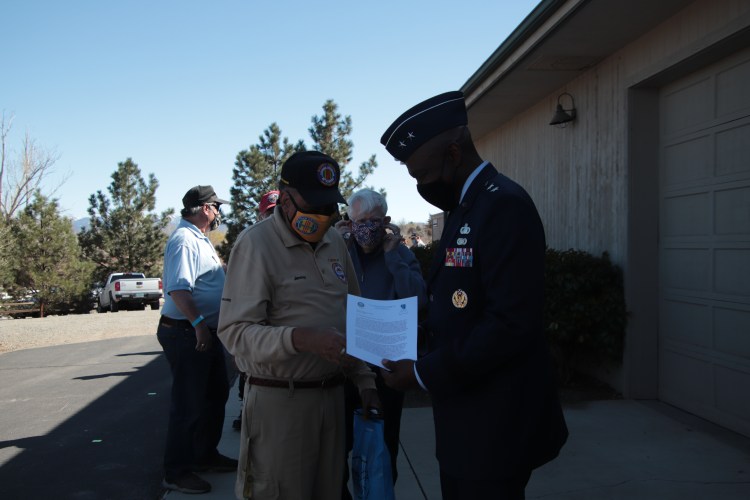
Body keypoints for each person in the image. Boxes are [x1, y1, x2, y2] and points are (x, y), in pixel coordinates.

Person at [379, 91, 568, 500]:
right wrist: (417, 338)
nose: (421, 185)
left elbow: (510, 323)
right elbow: (458, 304)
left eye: (423, 174)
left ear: (453, 152)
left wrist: (421, 373)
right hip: (466, 416)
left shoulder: (503, 205)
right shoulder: (467, 208)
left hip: (496, 421)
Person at [218, 151, 381, 500]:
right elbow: (235, 333)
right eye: (313, 204)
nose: (322, 214)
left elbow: (353, 314)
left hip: (332, 399)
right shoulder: (256, 244)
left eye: (328, 205)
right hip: (281, 404)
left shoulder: (335, 242)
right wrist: (300, 339)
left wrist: (364, 380)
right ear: (286, 199)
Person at [335, 188, 427, 498]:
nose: (366, 228)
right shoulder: (340, 251)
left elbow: (418, 299)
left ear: (385, 222)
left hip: (386, 368)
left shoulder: (400, 254)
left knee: (384, 447)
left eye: (373, 221)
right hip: (345, 364)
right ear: (349, 223)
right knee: (337, 448)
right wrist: (337, 244)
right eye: (359, 221)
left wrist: (392, 257)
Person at [157, 185, 238, 494]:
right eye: (216, 207)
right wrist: (200, 325)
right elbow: (178, 289)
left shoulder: (199, 238)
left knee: (214, 395)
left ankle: (204, 455)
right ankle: (176, 471)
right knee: (189, 404)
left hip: (201, 331)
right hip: (186, 332)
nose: (218, 213)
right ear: (205, 208)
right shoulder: (183, 240)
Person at [231, 189, 280, 432]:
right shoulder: (250, 243)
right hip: (258, 331)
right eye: (269, 213)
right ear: (260, 215)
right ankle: (245, 409)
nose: (273, 217)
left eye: (277, 212)